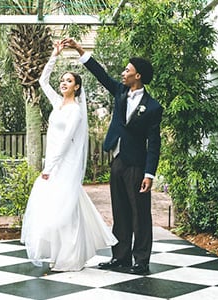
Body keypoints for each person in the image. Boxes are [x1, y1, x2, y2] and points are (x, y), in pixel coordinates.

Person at [63, 38, 162, 275]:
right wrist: (79, 50)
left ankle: (141, 261)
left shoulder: (153, 107)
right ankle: (121, 257)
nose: (123, 72)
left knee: (140, 215)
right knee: (120, 211)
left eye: (127, 70)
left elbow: (154, 143)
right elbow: (101, 75)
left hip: (137, 165)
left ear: (138, 76)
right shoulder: (120, 91)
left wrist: (149, 173)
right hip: (117, 160)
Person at [20, 41, 117, 272]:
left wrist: (49, 168)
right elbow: (43, 81)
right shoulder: (57, 104)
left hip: (66, 164)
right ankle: (59, 254)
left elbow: (65, 143)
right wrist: (54, 54)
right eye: (62, 80)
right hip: (53, 163)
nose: (64, 83)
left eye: (69, 81)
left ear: (77, 87)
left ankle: (70, 258)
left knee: (64, 212)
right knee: (56, 209)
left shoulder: (75, 111)